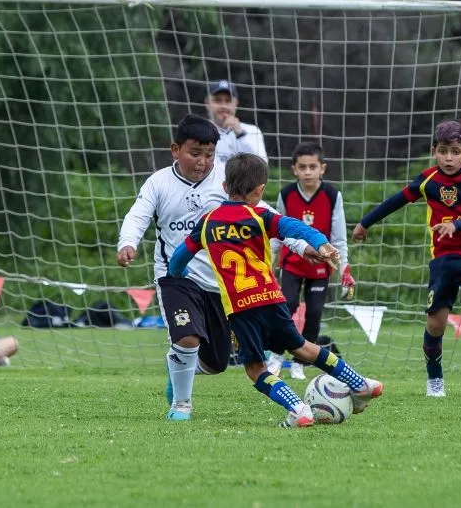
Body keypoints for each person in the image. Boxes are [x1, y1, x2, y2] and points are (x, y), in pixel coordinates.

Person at [115, 114, 311, 421]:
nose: (202, 162)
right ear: (175, 150)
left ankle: (177, 368)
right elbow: (137, 215)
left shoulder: (226, 182)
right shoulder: (159, 183)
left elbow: (267, 219)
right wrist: (127, 242)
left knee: (217, 362)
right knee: (187, 338)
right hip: (176, 276)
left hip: (222, 283)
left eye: (208, 155)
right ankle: (181, 405)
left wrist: (302, 246)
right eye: (195, 154)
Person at [166, 153, 382, 428]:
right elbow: (296, 226)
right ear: (260, 190)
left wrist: (178, 273)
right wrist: (322, 243)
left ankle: (298, 408)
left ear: (224, 187)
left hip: (241, 308)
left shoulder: (208, 222)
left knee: (255, 368)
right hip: (271, 297)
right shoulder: (260, 216)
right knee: (303, 347)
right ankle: (360, 383)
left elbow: (178, 258)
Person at [352, 119, 461, 399]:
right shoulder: (428, 179)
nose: (449, 157)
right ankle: (434, 379)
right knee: (436, 324)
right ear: (434, 151)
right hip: (443, 258)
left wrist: (456, 225)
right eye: (443, 151)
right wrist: (365, 223)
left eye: (455, 151)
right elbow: (397, 200)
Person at [266, 141, 355, 379]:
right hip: (292, 264)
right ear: (294, 169)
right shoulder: (286, 194)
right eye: (302, 167)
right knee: (288, 306)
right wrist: (270, 261)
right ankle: (275, 355)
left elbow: (339, 237)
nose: (307, 172)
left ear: (322, 168)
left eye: (312, 167)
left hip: (320, 268)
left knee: (314, 313)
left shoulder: (332, 195)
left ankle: (299, 363)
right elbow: (276, 231)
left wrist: (344, 269)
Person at [204, 79, 268, 165]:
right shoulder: (198, 130)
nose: (223, 106)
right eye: (218, 100)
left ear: (236, 103)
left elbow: (262, 166)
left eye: (228, 101)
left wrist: (240, 134)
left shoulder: (252, 131)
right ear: (207, 103)